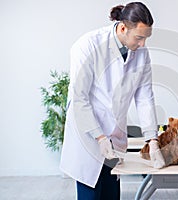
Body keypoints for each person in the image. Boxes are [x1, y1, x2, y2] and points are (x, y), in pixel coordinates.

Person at [60, 2, 165, 200]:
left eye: (146, 38)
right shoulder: (88, 45)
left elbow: (144, 97)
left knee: (111, 195)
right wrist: (99, 137)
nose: (142, 44)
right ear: (123, 28)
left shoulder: (141, 52)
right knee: (90, 194)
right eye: (139, 37)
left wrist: (152, 140)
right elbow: (79, 98)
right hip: (88, 137)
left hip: (114, 139)